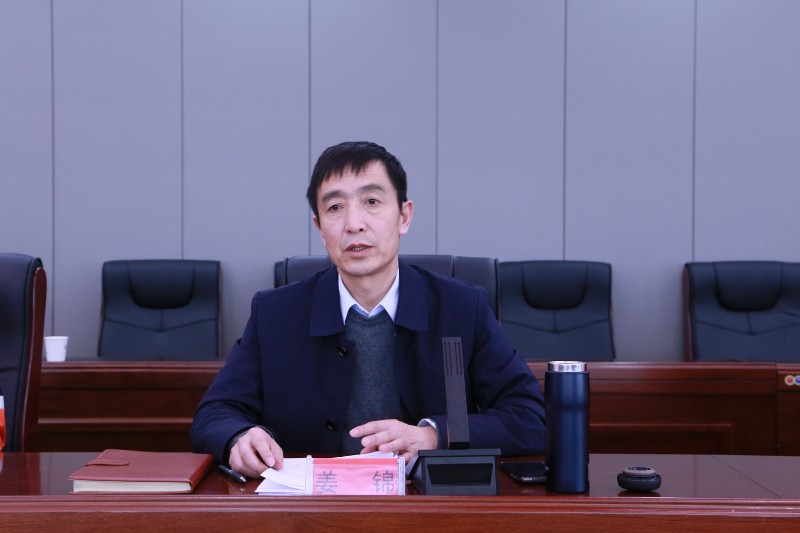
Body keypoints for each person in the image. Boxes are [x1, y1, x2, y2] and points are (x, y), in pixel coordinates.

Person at [190, 141, 545, 478]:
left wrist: (433, 435)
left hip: (427, 505)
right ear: (320, 229)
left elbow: (529, 417)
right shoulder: (275, 314)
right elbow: (215, 414)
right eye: (335, 208)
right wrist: (239, 437)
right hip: (311, 507)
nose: (354, 223)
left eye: (372, 201)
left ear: (404, 216)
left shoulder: (461, 308)